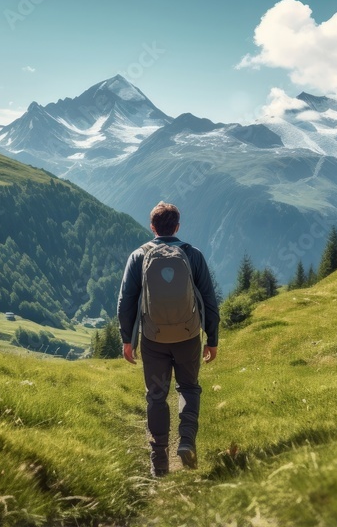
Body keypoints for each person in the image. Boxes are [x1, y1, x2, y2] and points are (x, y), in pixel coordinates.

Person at [118, 201, 220, 477]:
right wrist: (213, 338)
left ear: (152, 227)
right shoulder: (192, 254)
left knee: (156, 397)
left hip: (153, 338)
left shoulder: (138, 256)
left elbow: (126, 301)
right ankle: (186, 442)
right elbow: (209, 299)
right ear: (177, 226)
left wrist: (127, 339)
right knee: (188, 388)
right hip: (188, 336)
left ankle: (159, 461)